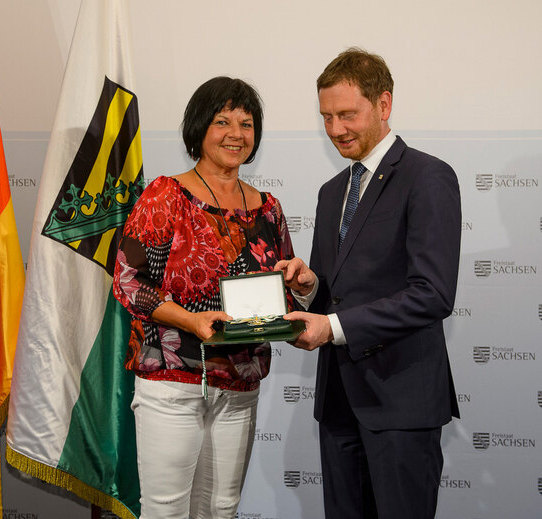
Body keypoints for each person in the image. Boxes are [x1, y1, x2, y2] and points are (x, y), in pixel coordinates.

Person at [277, 48, 461, 519]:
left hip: (401, 404)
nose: (336, 128)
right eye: (326, 117)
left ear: (384, 104)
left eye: (347, 114)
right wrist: (308, 286)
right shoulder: (331, 192)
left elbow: (433, 294)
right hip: (338, 404)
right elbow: (333, 292)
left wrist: (333, 328)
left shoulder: (428, 176)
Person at [113, 76, 295, 519]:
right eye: (222, 121)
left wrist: (300, 286)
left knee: (221, 509)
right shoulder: (166, 195)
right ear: (199, 127)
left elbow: (282, 291)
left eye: (246, 124)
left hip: (240, 384)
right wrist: (190, 320)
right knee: (166, 511)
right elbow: (128, 281)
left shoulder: (268, 208)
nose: (236, 134)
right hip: (173, 381)